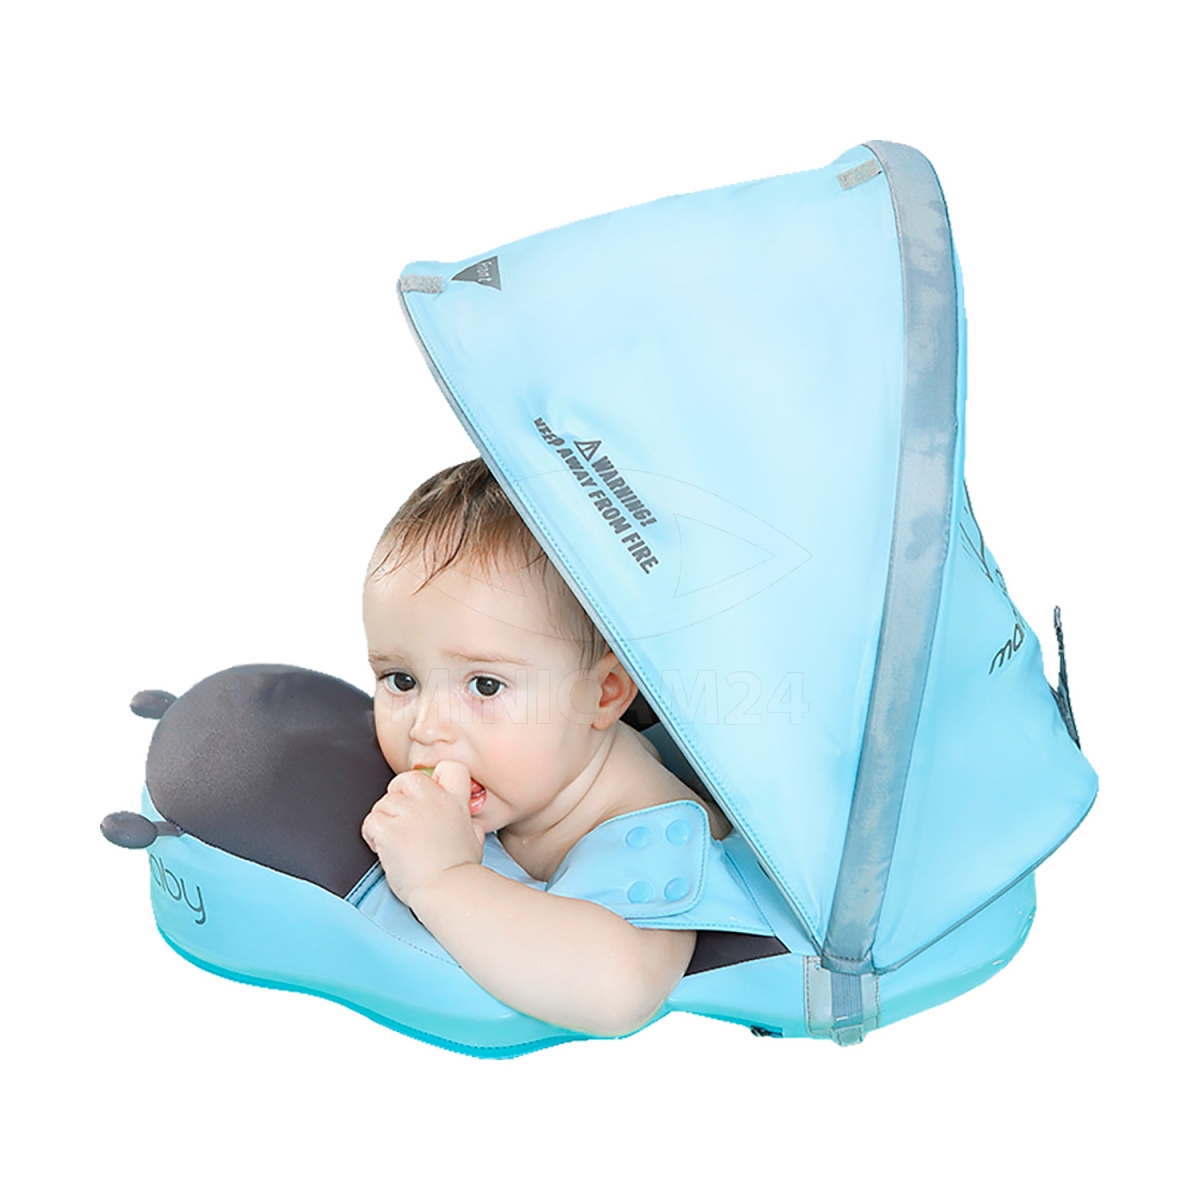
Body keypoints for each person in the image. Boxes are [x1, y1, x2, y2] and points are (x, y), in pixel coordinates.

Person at [361, 457, 732, 1037]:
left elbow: (618, 992)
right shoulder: (536, 770)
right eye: (401, 680)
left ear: (602, 695)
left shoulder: (653, 826)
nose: (426, 729)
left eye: (485, 686)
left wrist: (443, 878)